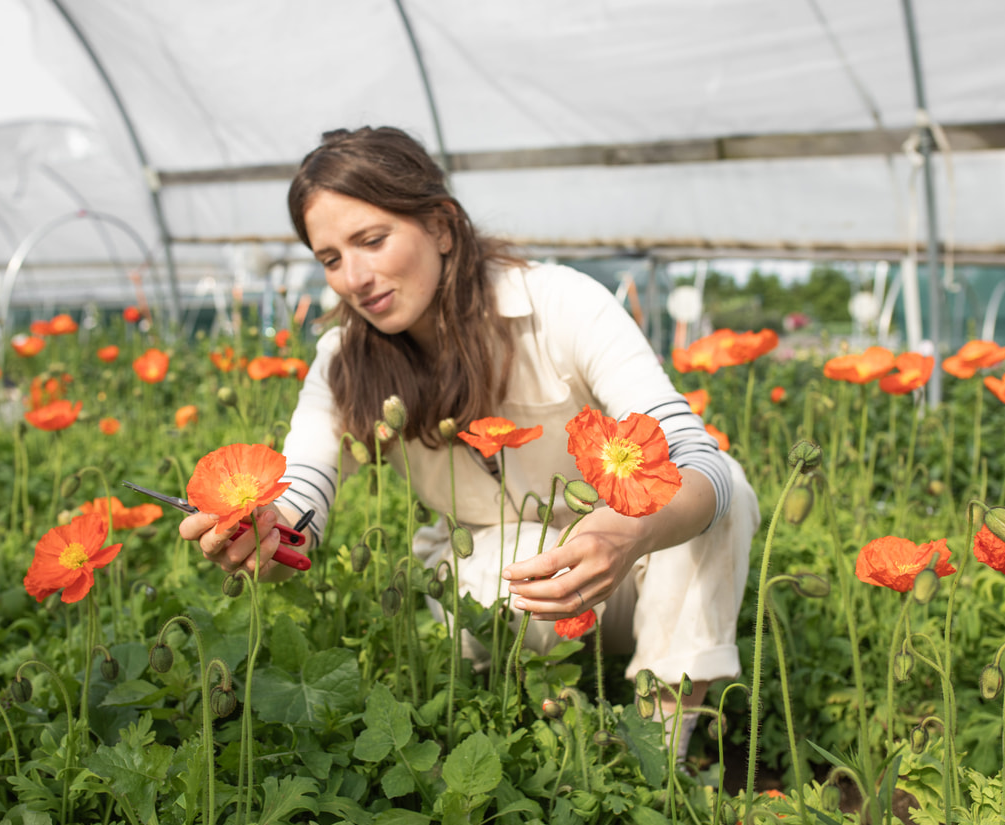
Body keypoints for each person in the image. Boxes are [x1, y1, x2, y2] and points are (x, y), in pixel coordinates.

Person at [180, 126, 760, 756]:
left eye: (372, 241)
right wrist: (266, 527)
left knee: (723, 484)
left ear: (442, 227)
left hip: (623, 564)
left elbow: (692, 453)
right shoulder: (344, 360)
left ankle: (660, 752)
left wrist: (631, 532)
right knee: (505, 559)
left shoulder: (560, 305)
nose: (355, 277)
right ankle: (511, 732)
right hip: (493, 587)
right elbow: (304, 483)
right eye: (330, 259)